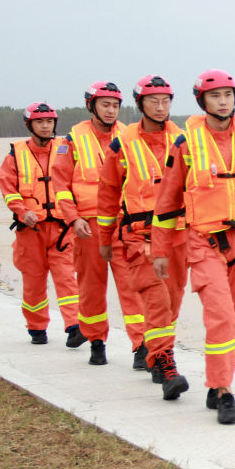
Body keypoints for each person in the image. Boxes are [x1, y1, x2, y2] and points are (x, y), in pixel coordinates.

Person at [152, 69, 235, 424]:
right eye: (215, 96)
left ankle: (216, 382)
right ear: (202, 101)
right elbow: (166, 203)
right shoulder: (186, 144)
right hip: (203, 242)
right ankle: (225, 393)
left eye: (228, 95)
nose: (223, 101)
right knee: (221, 315)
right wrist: (161, 251)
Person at [97, 75, 189, 400]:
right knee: (157, 300)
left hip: (177, 236)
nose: (161, 107)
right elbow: (108, 194)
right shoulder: (122, 143)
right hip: (139, 238)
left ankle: (154, 351)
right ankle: (166, 366)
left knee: (173, 301)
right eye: (154, 101)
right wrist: (105, 239)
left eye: (166, 101)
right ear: (140, 104)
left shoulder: (184, 139)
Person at [52, 82, 147, 367]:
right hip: (88, 226)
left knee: (133, 286)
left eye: (115, 105)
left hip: (123, 224)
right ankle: (96, 342)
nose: (110, 110)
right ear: (91, 106)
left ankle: (141, 346)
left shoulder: (130, 137)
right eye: (105, 104)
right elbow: (60, 185)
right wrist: (73, 218)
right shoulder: (71, 141)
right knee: (91, 286)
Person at [0, 102, 82, 346]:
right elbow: (8, 188)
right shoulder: (15, 154)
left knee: (67, 277)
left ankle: (74, 326)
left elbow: (76, 181)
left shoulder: (65, 149)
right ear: (30, 125)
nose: (45, 126)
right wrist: (23, 212)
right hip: (30, 230)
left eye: (49, 122)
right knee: (33, 282)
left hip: (61, 228)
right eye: (40, 122)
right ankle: (36, 327)